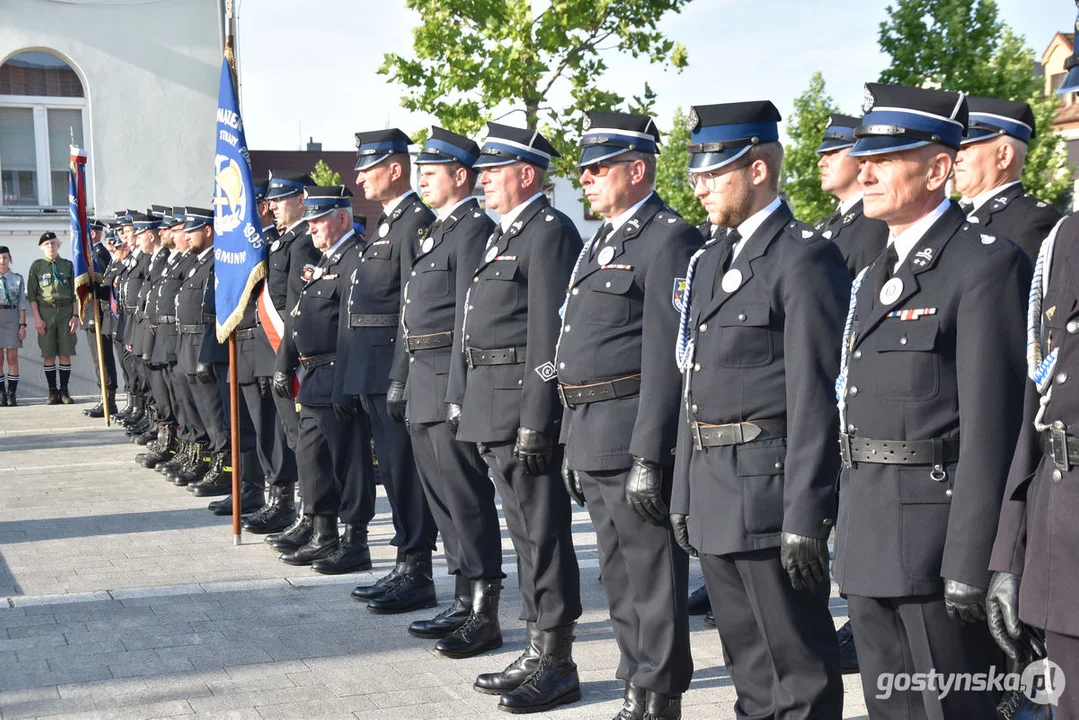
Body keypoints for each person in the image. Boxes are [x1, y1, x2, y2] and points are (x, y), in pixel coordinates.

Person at [833, 83, 1030, 719]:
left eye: (885, 159)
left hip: (935, 544)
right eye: (863, 159)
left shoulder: (983, 265)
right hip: (868, 535)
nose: (865, 172)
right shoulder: (874, 275)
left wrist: (974, 560)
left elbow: (992, 428)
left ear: (939, 167)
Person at [669, 100, 846, 719]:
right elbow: (695, 382)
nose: (700, 188)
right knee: (748, 670)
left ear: (758, 170)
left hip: (770, 499)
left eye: (712, 174)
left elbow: (815, 395)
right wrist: (682, 493)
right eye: (698, 175)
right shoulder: (711, 257)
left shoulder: (803, 257)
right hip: (715, 489)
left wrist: (805, 514)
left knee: (798, 672)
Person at [557, 111, 700, 720]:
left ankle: (660, 693)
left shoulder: (668, 238)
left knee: (652, 573)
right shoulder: (602, 239)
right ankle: (632, 684)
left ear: (637, 169)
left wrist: (650, 454)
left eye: (597, 169)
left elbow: (669, 358)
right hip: (589, 431)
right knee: (616, 574)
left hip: (632, 434)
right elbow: (572, 347)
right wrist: (568, 438)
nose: (585, 180)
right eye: (584, 171)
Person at [449, 122, 583, 714]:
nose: (481, 183)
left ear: (525, 175)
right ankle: (535, 645)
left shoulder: (549, 233)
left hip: (521, 410)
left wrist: (537, 416)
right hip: (490, 405)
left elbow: (548, 336)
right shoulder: (502, 234)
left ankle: (557, 660)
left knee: (544, 535)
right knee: (523, 535)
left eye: (492, 172)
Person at [401, 127, 504, 656]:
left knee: (466, 497)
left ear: (460, 177)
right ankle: (462, 597)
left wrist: (459, 390)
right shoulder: (436, 230)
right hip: (423, 378)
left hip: (448, 380)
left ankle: (485, 607)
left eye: (431, 171)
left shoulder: (471, 229)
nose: (421, 179)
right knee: (442, 498)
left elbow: (468, 317)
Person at [339, 129, 439, 602]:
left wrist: (399, 374)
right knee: (393, 470)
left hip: (392, 369)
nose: (359, 175)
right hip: (370, 367)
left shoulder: (415, 221)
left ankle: (417, 569)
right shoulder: (384, 224)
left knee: (404, 469)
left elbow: (409, 306)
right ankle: (404, 563)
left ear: (395, 169)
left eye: (368, 166)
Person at [272, 186, 374, 569]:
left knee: (348, 460)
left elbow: (354, 324)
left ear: (343, 218)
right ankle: (323, 532)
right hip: (314, 375)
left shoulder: (355, 259)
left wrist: (351, 382)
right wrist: (285, 364)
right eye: (310, 220)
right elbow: (298, 317)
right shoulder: (325, 260)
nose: (312, 227)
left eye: (319, 219)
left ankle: (355, 540)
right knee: (311, 457)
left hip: (339, 373)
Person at [253, 171, 319, 539]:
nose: (272, 207)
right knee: (286, 438)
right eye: (272, 201)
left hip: (290, 355)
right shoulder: (280, 243)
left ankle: (311, 516)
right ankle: (292, 507)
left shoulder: (303, 243)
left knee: (301, 442)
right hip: (273, 352)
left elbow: (296, 308)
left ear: (301, 200)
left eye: (280, 200)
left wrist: (286, 359)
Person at [954, 96, 1062, 261]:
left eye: (966, 147)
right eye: (956, 148)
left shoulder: (1034, 221)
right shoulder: (950, 212)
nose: (956, 158)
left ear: (1004, 156)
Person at [816, 113, 890, 279]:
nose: (821, 163)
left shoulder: (876, 225)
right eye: (823, 154)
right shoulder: (828, 225)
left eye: (833, 152)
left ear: (861, 157)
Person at [27, 231, 79, 405]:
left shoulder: (68, 265)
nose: (50, 247)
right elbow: (33, 296)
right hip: (46, 313)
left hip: (65, 312)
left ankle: (64, 390)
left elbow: (75, 293)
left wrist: (75, 315)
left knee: (65, 352)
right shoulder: (37, 266)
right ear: (42, 248)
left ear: (59, 245)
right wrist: (37, 318)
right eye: (47, 244)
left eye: (53, 243)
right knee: (48, 353)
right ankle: (52, 392)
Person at [82, 219, 118, 417]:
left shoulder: (99, 254)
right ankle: (103, 397)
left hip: (101, 314)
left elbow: (105, 285)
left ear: (93, 233)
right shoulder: (90, 256)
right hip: (91, 313)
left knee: (103, 358)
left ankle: (108, 399)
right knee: (98, 358)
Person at [0, 245, 28, 406]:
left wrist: (22, 325)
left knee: (12, 357)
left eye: (5, 257)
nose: (2, 261)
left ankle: (12, 394)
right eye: (0, 257)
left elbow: (22, 304)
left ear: (9, 258)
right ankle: (1, 393)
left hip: (12, 317)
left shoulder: (17, 279)